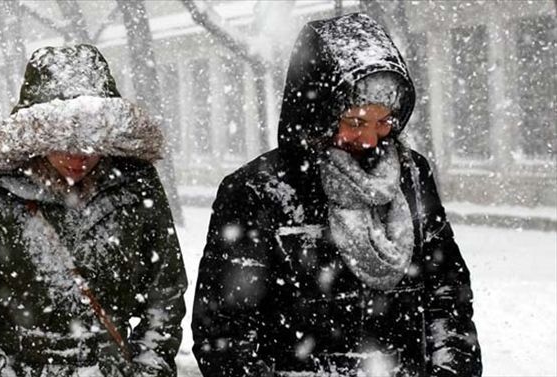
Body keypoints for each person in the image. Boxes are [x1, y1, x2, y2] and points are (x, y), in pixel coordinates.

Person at [192, 13, 481, 377]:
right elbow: (225, 334)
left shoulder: (411, 175)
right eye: (355, 122)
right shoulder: (257, 191)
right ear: (318, 113)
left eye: (384, 123)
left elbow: (446, 294)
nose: (370, 140)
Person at [0, 44, 187, 377]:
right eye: (64, 139)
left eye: (92, 138)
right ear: (36, 135)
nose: (79, 154)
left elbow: (165, 296)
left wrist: (145, 371)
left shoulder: (136, 185)